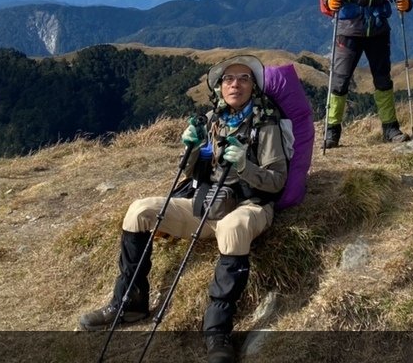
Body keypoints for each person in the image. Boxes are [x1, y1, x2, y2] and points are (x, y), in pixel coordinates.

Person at [78, 55, 288, 363]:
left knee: (232, 230)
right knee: (139, 211)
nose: (235, 84)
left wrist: (245, 166)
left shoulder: (265, 124)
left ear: (253, 86)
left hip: (248, 205)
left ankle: (216, 332)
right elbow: (194, 174)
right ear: (219, 88)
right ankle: (130, 304)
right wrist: (189, 150)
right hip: (204, 204)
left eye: (244, 78)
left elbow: (277, 181)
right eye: (228, 79)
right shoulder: (211, 121)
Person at [321, 0, 412, 148]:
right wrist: (330, 1)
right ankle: (332, 131)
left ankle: (390, 128)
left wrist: (404, 0)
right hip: (349, 29)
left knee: (383, 79)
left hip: (378, 28)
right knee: (340, 81)